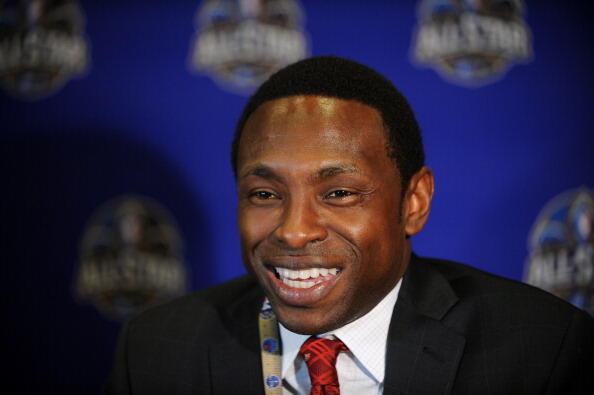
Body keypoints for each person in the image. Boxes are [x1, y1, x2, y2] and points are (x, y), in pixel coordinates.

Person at [106, 56, 593, 395]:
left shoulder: (541, 348)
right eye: (265, 195)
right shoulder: (156, 350)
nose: (294, 232)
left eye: (338, 193)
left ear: (414, 202)